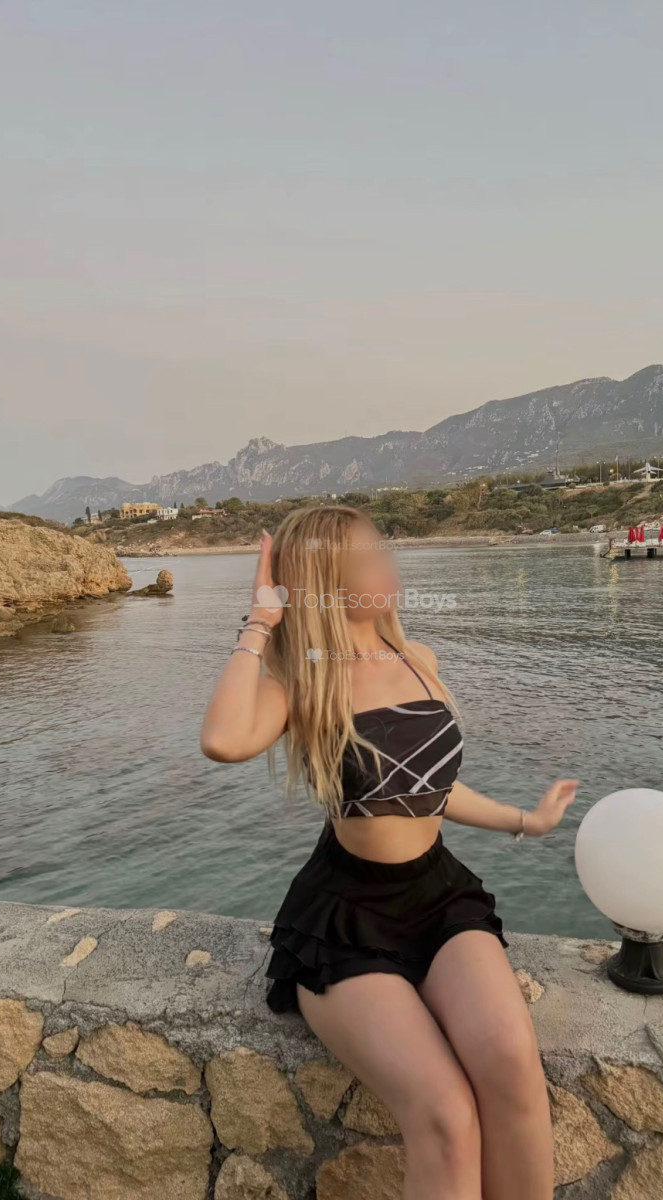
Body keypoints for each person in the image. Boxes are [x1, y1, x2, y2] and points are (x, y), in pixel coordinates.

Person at [200, 505, 578, 1200]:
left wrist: (527, 820)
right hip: (346, 918)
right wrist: (262, 620)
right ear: (327, 581)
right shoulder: (303, 681)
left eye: (383, 549)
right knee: (445, 1116)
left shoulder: (417, 659)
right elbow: (223, 740)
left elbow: (432, 790)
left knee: (514, 1070)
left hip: (440, 897)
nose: (389, 565)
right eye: (368, 557)